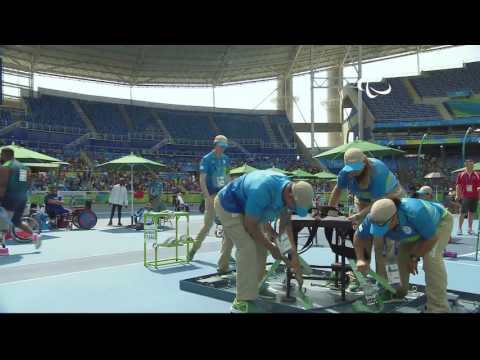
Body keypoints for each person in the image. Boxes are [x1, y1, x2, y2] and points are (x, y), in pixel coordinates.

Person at [215, 170, 314, 313]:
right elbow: (251, 226)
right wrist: (273, 248)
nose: (293, 210)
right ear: (290, 197)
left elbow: (285, 228)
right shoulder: (262, 190)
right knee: (247, 248)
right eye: (295, 207)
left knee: (261, 250)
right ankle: (241, 302)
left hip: (248, 207)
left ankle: (254, 289)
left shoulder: (289, 191)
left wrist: (294, 260)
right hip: (228, 205)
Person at [353, 198, 453, 312]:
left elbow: (431, 239)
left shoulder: (415, 213)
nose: (381, 231)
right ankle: (397, 293)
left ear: (395, 217)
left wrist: (414, 256)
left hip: (438, 224)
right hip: (411, 233)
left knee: (431, 260)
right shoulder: (373, 217)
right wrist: (361, 259)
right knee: (394, 261)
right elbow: (359, 237)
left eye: (383, 227)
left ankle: (439, 308)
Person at [328, 148, 405, 280]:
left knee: (384, 242)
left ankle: (389, 281)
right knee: (363, 237)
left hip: (388, 198)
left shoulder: (378, 171)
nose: (352, 171)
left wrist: (358, 216)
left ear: (364, 163)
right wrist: (330, 210)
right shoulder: (344, 173)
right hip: (364, 201)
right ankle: (361, 274)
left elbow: (376, 205)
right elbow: (337, 190)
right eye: (349, 168)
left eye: (356, 168)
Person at [188, 135, 231, 262]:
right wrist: (207, 197)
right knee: (207, 226)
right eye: (221, 146)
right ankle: (193, 250)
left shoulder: (226, 159)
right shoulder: (206, 159)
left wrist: (228, 194)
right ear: (216, 144)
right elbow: (202, 179)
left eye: (225, 147)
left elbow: (227, 177)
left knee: (228, 226)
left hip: (223, 196)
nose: (223, 149)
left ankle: (226, 255)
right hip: (211, 196)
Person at [0, 148, 41, 248]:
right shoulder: (25, 168)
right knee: (16, 221)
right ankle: (34, 235)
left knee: (3, 220)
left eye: (1, 155)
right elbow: (28, 184)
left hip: (9, 197)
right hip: (22, 198)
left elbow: (3, 184)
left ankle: (2, 247)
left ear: (4, 155)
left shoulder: (6, 166)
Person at [455, 159, 480, 235]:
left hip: (474, 196)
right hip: (464, 196)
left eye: (472, 165)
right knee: (462, 213)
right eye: (470, 165)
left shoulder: (477, 174)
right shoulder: (461, 174)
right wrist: (457, 195)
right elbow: (458, 185)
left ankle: (470, 228)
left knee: (471, 213)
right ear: (466, 165)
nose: (472, 166)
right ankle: (459, 228)